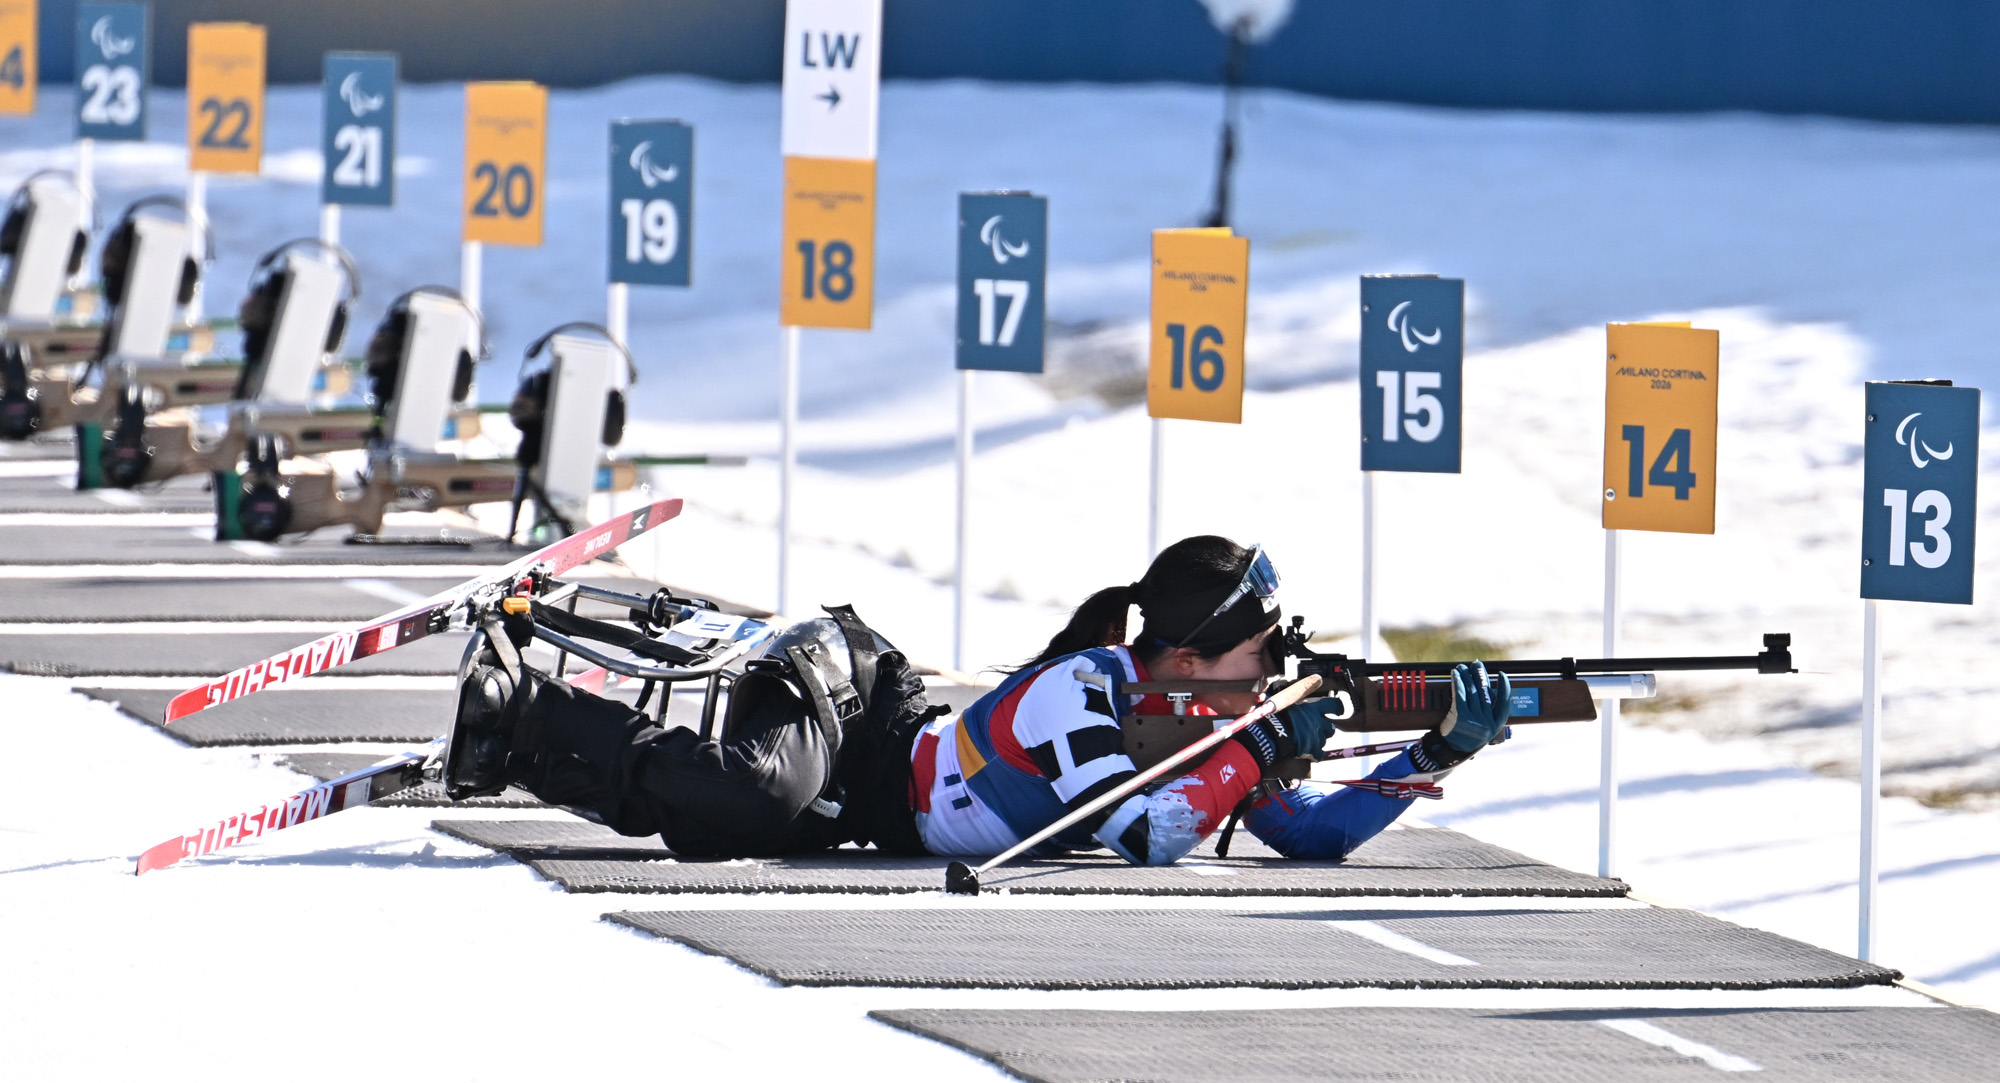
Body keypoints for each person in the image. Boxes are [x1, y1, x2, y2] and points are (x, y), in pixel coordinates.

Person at [447, 535, 1511, 864]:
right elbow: (1137, 835)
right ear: (1182, 665)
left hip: (867, 807)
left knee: (740, 821)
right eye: (1257, 653)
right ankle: (526, 704)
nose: (1271, 670)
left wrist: (1433, 755)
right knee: (748, 805)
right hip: (852, 707)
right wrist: (1254, 744)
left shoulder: (1205, 733)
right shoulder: (1085, 690)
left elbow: (1313, 838)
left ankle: (516, 751)